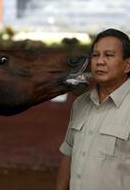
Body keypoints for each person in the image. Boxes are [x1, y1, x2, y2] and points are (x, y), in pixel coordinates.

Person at [56, 28, 130, 190]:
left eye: (109, 55)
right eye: (95, 55)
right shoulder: (81, 103)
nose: (100, 61)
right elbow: (69, 155)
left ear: (127, 65)